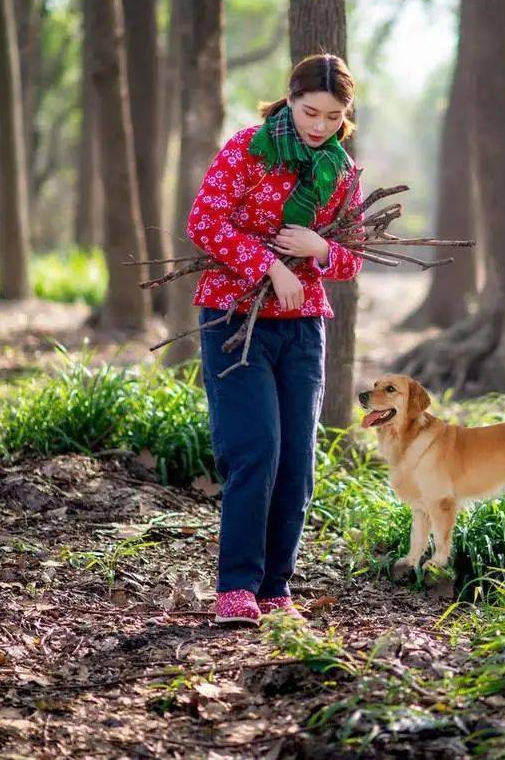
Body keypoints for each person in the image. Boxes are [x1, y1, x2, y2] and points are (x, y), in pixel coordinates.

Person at [185, 52, 365, 626]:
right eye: (311, 111)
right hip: (234, 318)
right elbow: (205, 223)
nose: (319, 125)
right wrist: (269, 265)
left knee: (297, 461)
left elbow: (351, 259)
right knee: (256, 450)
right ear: (289, 99)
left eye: (333, 116)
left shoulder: (342, 172)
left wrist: (319, 250)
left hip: (304, 328)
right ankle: (235, 586)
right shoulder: (247, 148)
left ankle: (274, 587)